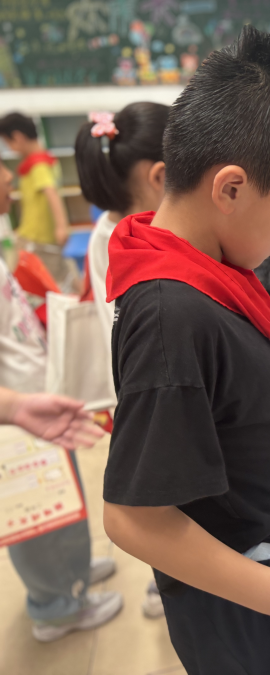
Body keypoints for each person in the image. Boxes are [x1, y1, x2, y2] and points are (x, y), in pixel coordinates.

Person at [101, 26, 270, 675]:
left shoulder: (208, 270)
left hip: (266, 561)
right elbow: (134, 517)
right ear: (232, 188)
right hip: (240, 595)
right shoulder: (172, 315)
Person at [0, 161, 117, 642]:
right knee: (35, 510)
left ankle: (73, 573)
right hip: (13, 416)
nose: (9, 186)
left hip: (31, 397)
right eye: (3, 179)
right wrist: (11, 407)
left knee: (61, 497)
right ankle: (56, 607)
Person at [74, 101, 170, 620]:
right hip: (151, 391)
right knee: (169, 494)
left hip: (131, 389)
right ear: (160, 176)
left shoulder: (105, 230)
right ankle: (165, 585)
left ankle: (165, 581)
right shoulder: (142, 236)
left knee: (164, 490)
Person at [0, 112, 74, 290]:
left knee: (48, 283)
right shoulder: (45, 160)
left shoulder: (37, 164)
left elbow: (51, 193)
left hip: (36, 239)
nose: (9, 148)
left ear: (18, 137)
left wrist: (61, 226)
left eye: (7, 142)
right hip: (33, 236)